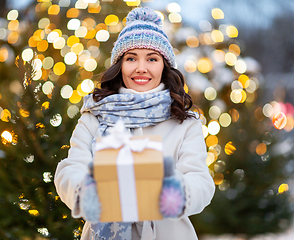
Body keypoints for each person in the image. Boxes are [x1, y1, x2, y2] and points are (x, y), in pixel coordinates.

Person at [54, 6, 215, 240]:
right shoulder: (94, 116)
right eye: (131, 58)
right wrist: (87, 191)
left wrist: (171, 194)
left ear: (164, 65)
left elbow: (200, 180)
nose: (141, 67)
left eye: (152, 58)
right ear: (120, 65)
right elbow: (72, 167)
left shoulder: (184, 122)